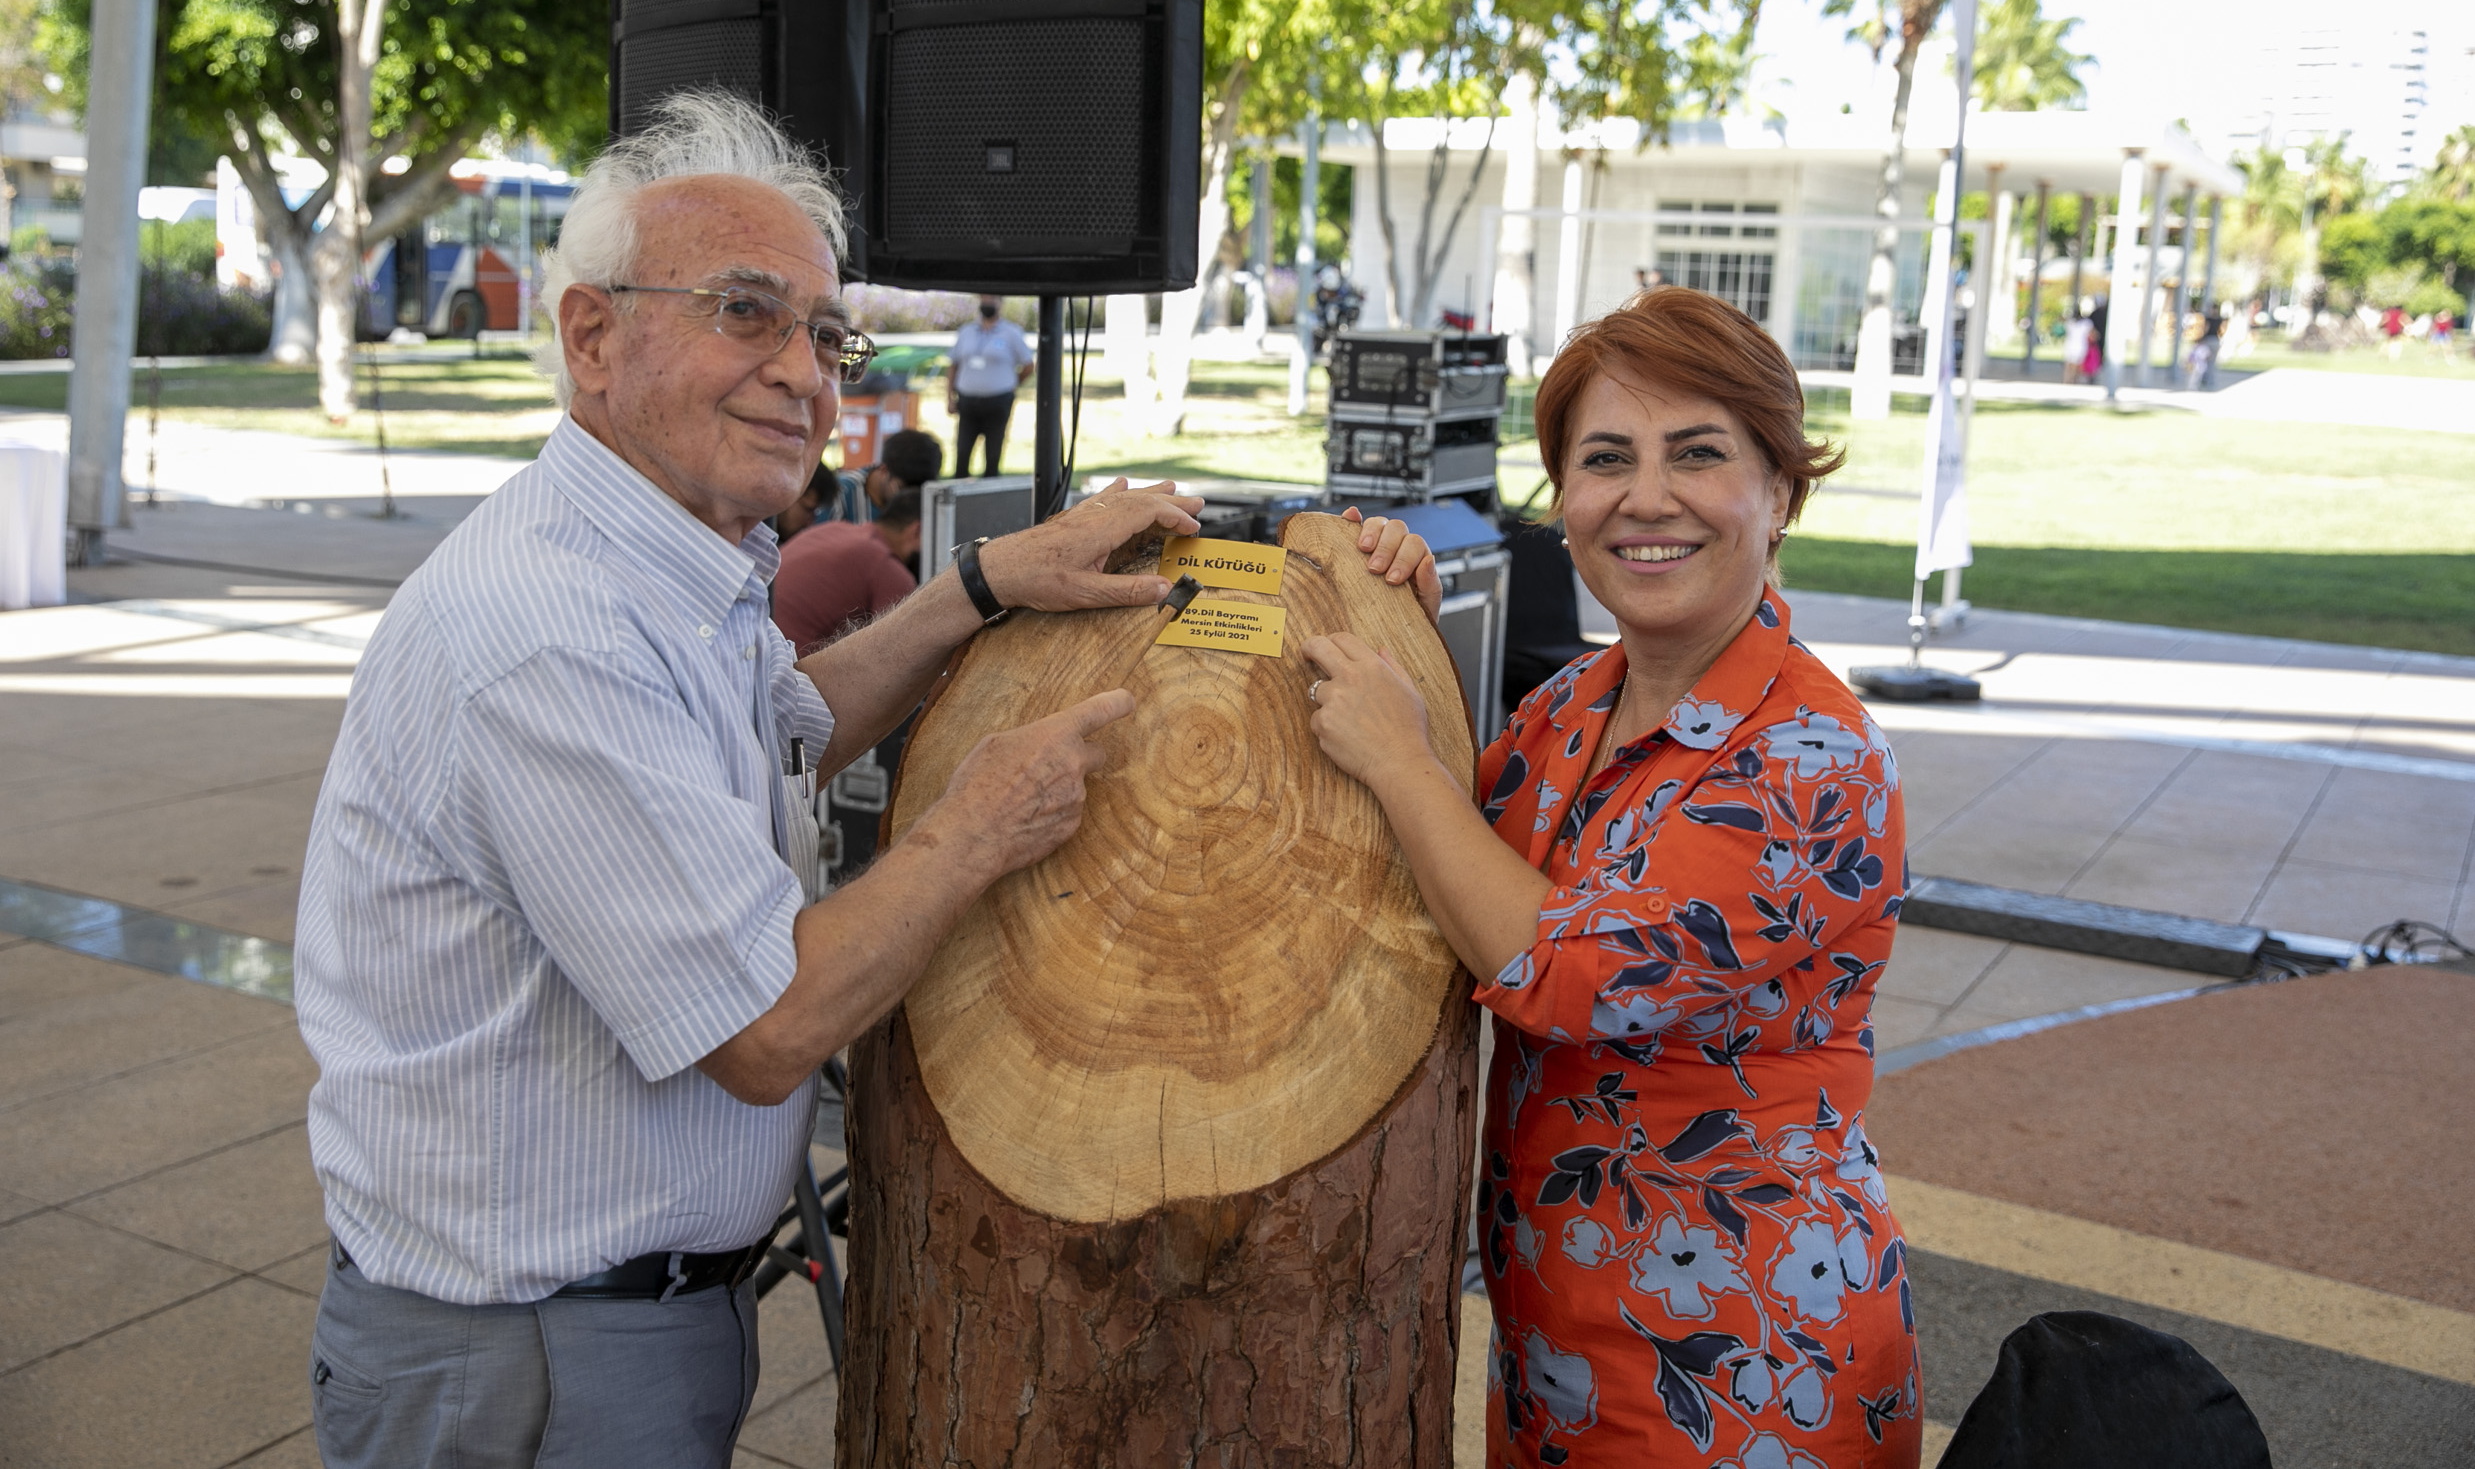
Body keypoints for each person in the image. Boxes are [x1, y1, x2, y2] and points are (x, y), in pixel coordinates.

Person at [291, 92, 1438, 1467]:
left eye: (828, 333)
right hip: (532, 1357)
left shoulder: (652, 560)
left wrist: (977, 586)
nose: (806, 372)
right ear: (592, 336)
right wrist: (977, 826)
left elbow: (778, 730)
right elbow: (770, 1026)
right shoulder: (552, 629)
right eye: (745, 311)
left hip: (606, 1326)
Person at [1302, 285, 1918, 1469]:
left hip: (1741, 1352)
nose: (1644, 497)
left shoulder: (1810, 753)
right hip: (1557, 1331)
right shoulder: (1573, 702)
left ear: (1779, 491)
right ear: (1564, 500)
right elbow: (1432, 878)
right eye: (1603, 459)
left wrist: (1398, 749)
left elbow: (1565, 968)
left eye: (1697, 453)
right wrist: (1401, 640)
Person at [773, 485, 922, 654]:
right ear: (917, 530)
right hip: (789, 665)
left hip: (758, 646)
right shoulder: (887, 567)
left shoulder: (835, 528)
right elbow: (901, 653)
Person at [948, 296, 1031, 477]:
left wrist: (1011, 382)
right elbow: (953, 365)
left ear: (1000, 304)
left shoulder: (1011, 332)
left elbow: (1028, 365)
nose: (987, 304)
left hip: (998, 401)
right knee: (962, 451)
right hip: (968, 401)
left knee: (993, 453)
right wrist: (949, 397)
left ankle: (990, 495)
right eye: (984, 299)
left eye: (991, 300)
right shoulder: (966, 331)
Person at [829, 426, 941, 525]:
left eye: (918, 492)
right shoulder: (841, 493)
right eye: (902, 489)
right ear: (884, 470)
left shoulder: (926, 502)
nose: (909, 500)